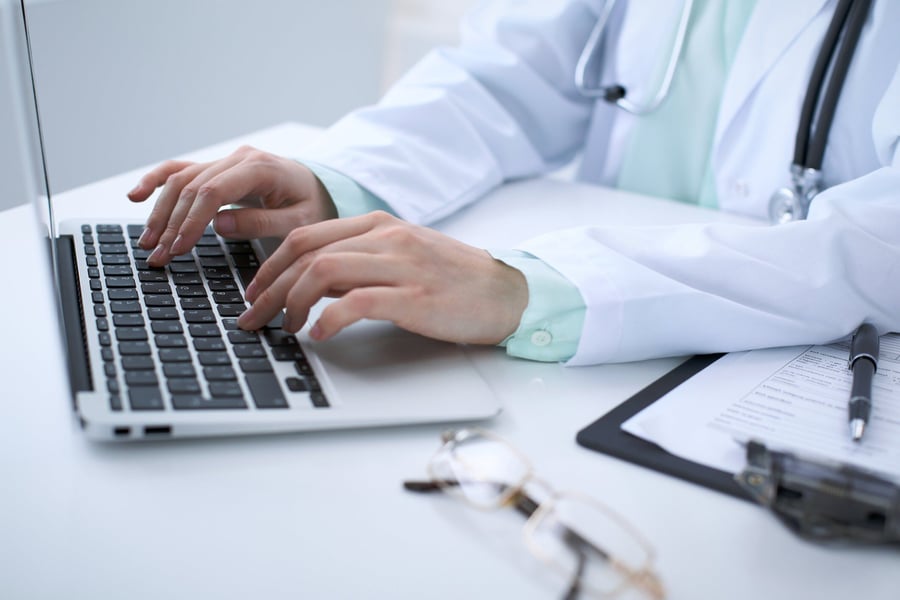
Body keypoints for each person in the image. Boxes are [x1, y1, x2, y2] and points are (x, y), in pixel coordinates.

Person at [127, 0, 900, 366]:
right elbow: (508, 77)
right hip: (600, 357)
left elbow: (881, 237)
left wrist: (535, 291)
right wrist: (338, 178)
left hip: (801, 361)